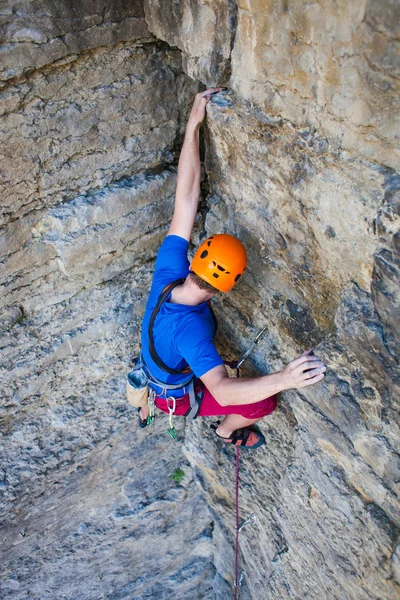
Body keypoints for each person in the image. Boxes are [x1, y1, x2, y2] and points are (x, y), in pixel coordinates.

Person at [137, 88, 326, 449]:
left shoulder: (168, 271)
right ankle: (226, 431)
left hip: (163, 366)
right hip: (173, 395)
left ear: (195, 259)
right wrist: (285, 378)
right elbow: (221, 387)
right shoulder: (189, 331)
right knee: (262, 402)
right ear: (228, 286)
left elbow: (186, 197)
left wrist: (193, 125)